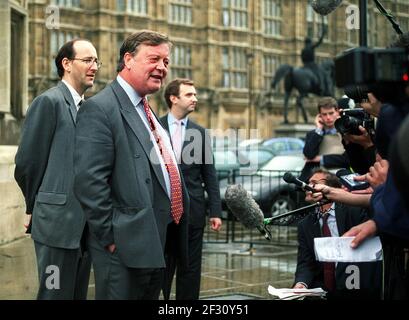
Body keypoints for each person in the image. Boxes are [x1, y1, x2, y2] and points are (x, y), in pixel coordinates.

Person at [73, 30, 189, 300]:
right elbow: (89, 181)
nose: (162, 67)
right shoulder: (100, 108)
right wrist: (111, 238)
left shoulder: (147, 110)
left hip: (157, 243)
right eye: (154, 59)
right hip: (125, 248)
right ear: (128, 59)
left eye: (166, 62)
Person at [14, 39, 99, 299]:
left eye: (97, 61)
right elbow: (27, 163)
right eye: (87, 60)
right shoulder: (48, 102)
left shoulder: (90, 109)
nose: (94, 66)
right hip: (56, 226)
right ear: (66, 64)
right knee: (54, 294)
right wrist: (34, 205)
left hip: (85, 229)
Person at [160, 78, 222, 300]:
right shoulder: (154, 128)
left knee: (190, 270)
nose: (195, 99)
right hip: (162, 214)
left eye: (195, 94)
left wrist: (215, 211)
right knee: (161, 270)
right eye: (189, 95)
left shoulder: (200, 133)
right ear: (173, 98)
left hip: (193, 213)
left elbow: (210, 175)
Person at [293, 168, 382, 299]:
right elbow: (306, 262)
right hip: (323, 291)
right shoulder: (305, 224)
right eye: (308, 182)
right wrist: (301, 283)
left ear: (331, 188)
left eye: (314, 183)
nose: (308, 186)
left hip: (356, 286)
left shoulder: (354, 211)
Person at [299, 97, 350, 182]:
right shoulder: (314, 134)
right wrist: (318, 129)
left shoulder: (347, 132)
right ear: (319, 115)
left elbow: (347, 159)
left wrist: (321, 158)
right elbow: (309, 154)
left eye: (331, 113)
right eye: (324, 114)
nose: (328, 117)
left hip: (338, 178)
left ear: (337, 112)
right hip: (315, 179)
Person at [301, 24, 325, 95]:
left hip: (305, 65)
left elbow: (302, 58)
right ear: (309, 42)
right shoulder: (311, 47)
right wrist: (322, 35)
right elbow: (319, 43)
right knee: (320, 73)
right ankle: (321, 87)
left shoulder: (303, 49)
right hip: (311, 65)